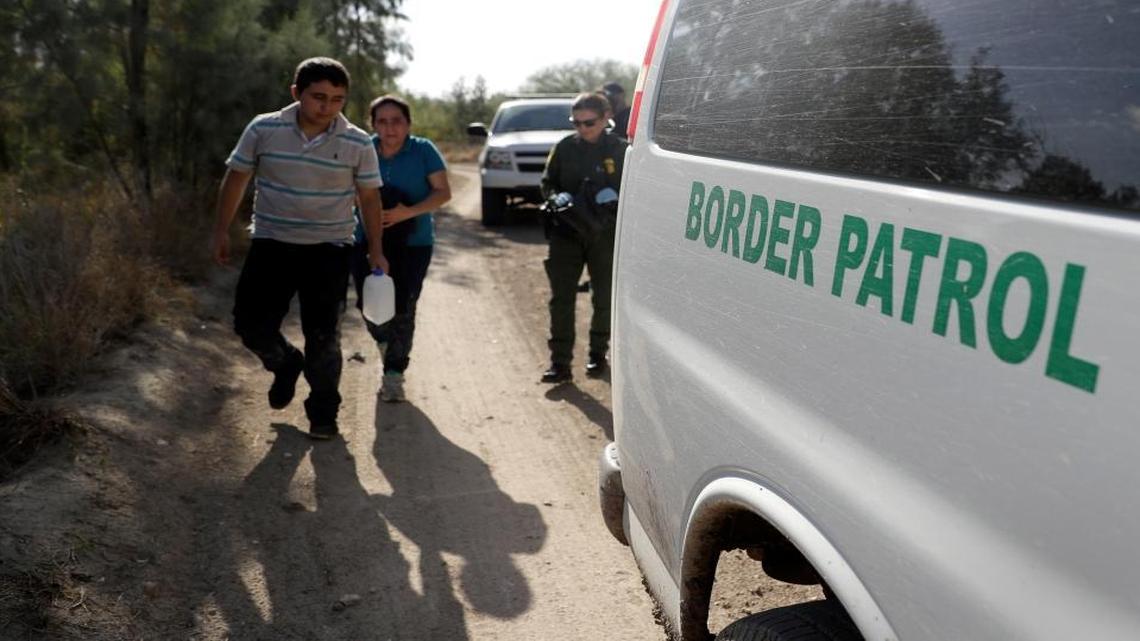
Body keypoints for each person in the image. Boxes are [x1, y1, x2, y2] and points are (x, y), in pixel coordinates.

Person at [211, 57, 387, 440]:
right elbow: (237, 177)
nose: (327, 107)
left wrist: (376, 248)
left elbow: (370, 199)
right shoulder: (264, 128)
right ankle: (286, 364)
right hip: (272, 244)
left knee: (324, 336)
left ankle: (324, 414)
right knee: (249, 324)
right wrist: (221, 230)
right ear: (296, 93)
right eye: (318, 97)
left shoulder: (356, 141)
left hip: (329, 249)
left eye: (337, 99)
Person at [350, 95, 451, 402]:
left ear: (408, 124)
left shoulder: (423, 151)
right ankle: (385, 343)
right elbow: (347, 189)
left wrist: (406, 212)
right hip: (364, 239)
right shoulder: (362, 149)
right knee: (371, 308)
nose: (390, 127)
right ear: (373, 124)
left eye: (397, 121)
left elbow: (442, 192)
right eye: (382, 121)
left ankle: (394, 374)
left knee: (404, 308)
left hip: (414, 243)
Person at [539, 92, 629, 383]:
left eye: (588, 122)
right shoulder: (565, 148)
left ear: (605, 118)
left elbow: (639, 188)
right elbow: (547, 182)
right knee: (561, 298)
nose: (582, 128)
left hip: (605, 234)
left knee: (603, 297)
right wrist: (556, 197)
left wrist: (617, 196)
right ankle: (560, 362)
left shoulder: (621, 150)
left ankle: (597, 354)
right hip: (567, 232)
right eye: (576, 123)